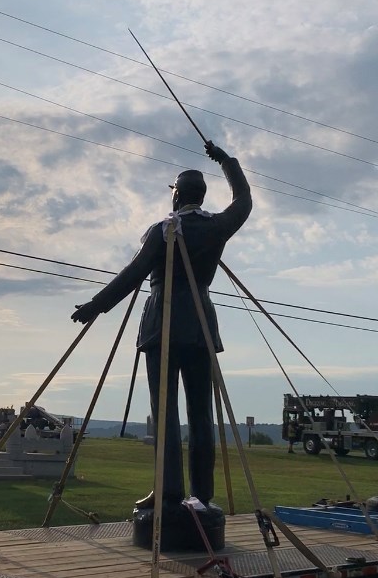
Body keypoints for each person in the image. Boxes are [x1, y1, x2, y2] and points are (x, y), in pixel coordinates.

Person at [71, 140, 252, 511]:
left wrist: (96, 306)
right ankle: (201, 495)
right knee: (201, 414)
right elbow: (244, 199)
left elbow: (133, 274)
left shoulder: (164, 230)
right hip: (201, 325)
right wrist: (225, 161)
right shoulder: (217, 227)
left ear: (176, 197)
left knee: (166, 411)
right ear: (200, 196)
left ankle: (169, 491)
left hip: (163, 324)